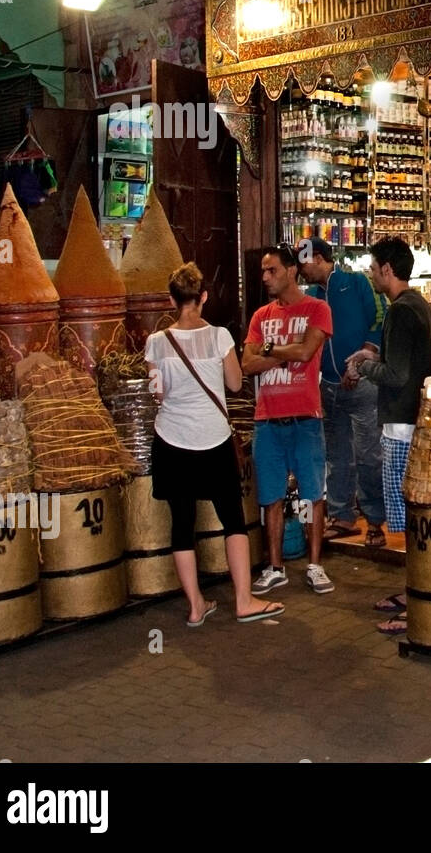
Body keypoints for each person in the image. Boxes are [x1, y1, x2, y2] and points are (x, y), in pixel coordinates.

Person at [145, 263, 284, 625]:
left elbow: (157, 393)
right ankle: (243, 600)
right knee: (232, 519)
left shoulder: (157, 342)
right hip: (214, 439)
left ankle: (195, 606)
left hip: (171, 440)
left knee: (182, 523)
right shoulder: (220, 336)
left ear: (171, 299)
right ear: (203, 296)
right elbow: (236, 385)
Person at [345, 237, 431, 635]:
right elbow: (406, 363)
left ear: (387, 269)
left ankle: (419, 601)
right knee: (417, 517)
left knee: (412, 520)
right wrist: (374, 358)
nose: (370, 273)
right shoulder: (420, 306)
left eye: (373, 266)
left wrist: (364, 370)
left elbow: (398, 376)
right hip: (417, 419)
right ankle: (414, 591)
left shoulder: (400, 312)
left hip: (402, 425)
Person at [242, 245, 336, 596]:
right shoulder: (260, 316)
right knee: (271, 496)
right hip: (267, 419)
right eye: (263, 272)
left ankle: (315, 565)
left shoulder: (317, 309)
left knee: (313, 494)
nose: (266, 277)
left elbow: (306, 351)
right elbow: (246, 364)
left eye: (272, 271)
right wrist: (281, 353)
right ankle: (275, 566)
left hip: (306, 417)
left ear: (292, 271)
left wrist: (267, 351)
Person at [298, 237, 387, 549]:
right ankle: (342, 517)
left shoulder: (356, 282)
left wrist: (364, 354)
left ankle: (375, 520)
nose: (301, 269)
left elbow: (379, 317)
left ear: (321, 257)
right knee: (336, 456)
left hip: (362, 382)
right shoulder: (309, 296)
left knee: (369, 455)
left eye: (304, 261)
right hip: (329, 385)